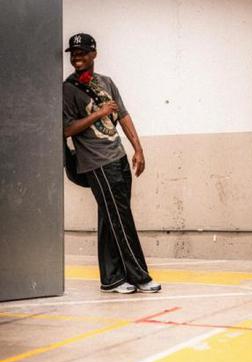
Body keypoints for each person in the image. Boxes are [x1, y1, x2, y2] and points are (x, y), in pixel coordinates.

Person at [63, 33, 160, 294]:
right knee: (120, 217)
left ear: (94, 54)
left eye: (82, 52)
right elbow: (67, 129)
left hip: (117, 156)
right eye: (73, 53)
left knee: (111, 217)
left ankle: (112, 279)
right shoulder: (68, 89)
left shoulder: (106, 82)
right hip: (96, 162)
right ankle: (139, 276)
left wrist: (138, 149)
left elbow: (123, 115)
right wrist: (99, 113)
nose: (77, 57)